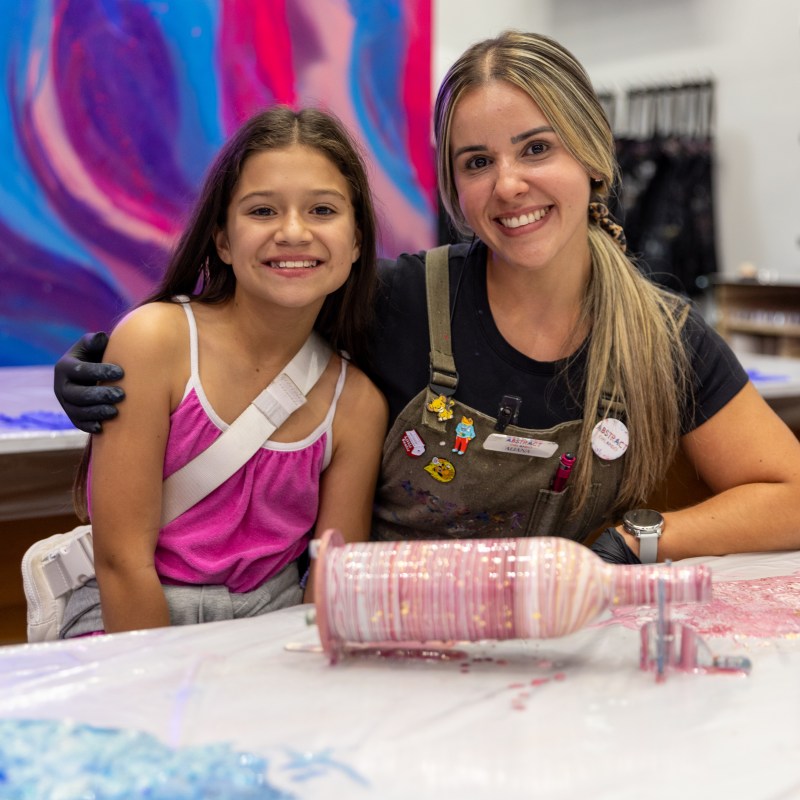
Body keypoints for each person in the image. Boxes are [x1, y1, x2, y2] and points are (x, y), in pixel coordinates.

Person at [55, 31, 800, 565]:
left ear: (593, 155)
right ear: (454, 187)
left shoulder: (661, 336)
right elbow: (234, 339)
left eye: (537, 149)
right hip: (391, 659)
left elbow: (789, 490)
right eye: (478, 162)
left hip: (556, 663)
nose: (509, 184)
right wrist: (98, 367)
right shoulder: (397, 301)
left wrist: (640, 538)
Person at [56, 106, 387, 638]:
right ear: (223, 239)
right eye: (262, 212)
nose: (294, 232)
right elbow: (121, 561)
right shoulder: (155, 341)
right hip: (133, 618)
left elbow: (329, 584)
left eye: (323, 210)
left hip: (272, 628)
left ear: (356, 242)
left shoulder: (358, 405)